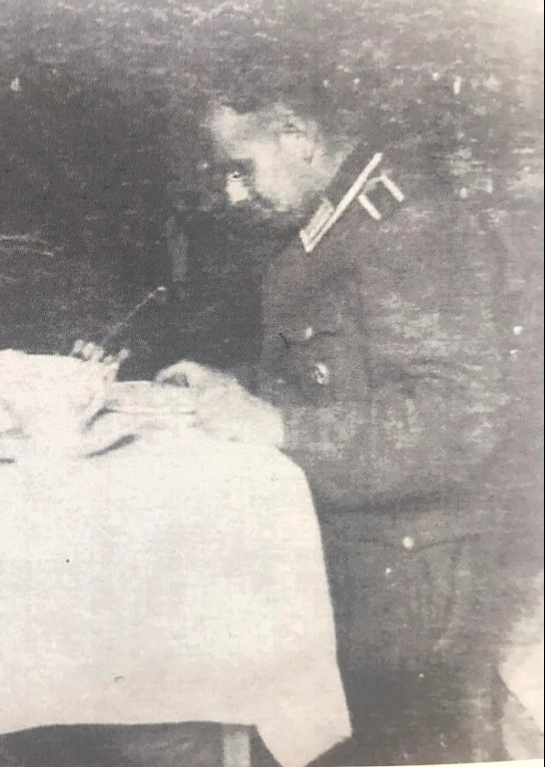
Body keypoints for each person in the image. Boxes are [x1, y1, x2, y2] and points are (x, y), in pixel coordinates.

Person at [80, 98, 542, 763]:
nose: (235, 193)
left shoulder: (412, 227)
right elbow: (338, 376)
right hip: (363, 542)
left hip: (409, 571)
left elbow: (458, 419)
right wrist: (234, 387)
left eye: (241, 166)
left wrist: (280, 425)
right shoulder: (340, 221)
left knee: (174, 689)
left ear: (296, 134)